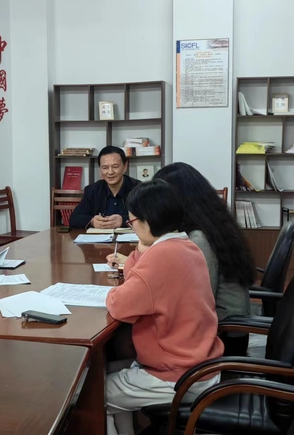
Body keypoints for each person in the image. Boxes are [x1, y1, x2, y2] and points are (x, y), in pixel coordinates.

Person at [104, 179, 224, 435]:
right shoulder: (188, 246)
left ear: (146, 221)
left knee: (92, 394)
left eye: (131, 222)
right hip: (201, 363)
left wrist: (138, 255)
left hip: (179, 375)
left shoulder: (161, 256)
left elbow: (118, 304)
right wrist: (142, 252)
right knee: (101, 372)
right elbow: (143, 282)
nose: (132, 227)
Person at [69, 146, 141, 229]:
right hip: (100, 237)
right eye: (105, 168)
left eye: (115, 167)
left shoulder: (138, 189)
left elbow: (148, 218)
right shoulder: (92, 190)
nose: (110, 172)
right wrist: (92, 221)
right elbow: (74, 219)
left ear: (125, 166)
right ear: (100, 169)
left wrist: (123, 220)